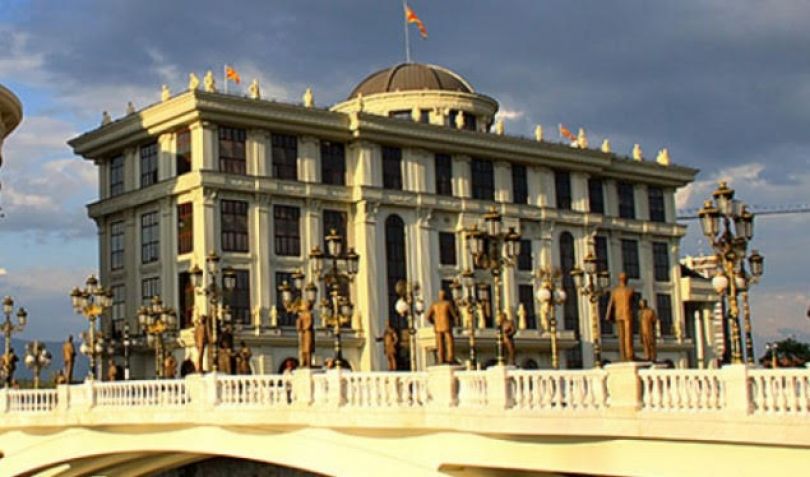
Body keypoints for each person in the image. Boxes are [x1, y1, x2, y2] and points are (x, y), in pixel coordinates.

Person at [605, 273, 637, 361]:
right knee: (628, 335)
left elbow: (610, 305)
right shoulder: (630, 290)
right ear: (627, 280)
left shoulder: (615, 291)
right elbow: (634, 304)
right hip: (627, 314)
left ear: (619, 280)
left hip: (618, 314)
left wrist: (608, 316)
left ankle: (623, 355)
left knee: (621, 336)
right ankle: (629, 355)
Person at [426, 290, 458, 365]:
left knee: (439, 343)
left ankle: (441, 359)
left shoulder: (434, 304)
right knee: (449, 342)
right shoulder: (447, 303)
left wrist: (434, 322)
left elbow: (427, 317)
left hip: (438, 326)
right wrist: (454, 321)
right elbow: (454, 315)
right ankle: (450, 358)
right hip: (446, 325)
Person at [296, 299, 315, 368]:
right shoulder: (301, 315)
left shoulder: (309, 314)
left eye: (307, 305)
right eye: (305, 305)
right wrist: (299, 327)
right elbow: (299, 323)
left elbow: (310, 323)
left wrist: (304, 328)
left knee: (308, 349)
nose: (305, 306)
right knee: (302, 349)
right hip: (303, 333)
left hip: (308, 333)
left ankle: (308, 363)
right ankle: (303, 363)